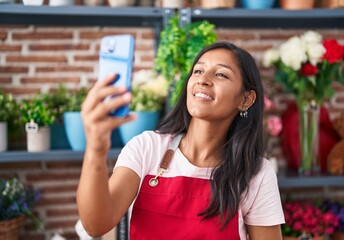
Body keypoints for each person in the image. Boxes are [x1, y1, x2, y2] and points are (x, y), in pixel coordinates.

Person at [77, 41, 285, 239]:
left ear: (245, 99)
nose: (203, 79)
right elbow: (96, 225)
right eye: (198, 71)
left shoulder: (256, 173)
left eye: (221, 74)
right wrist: (95, 149)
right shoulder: (147, 148)